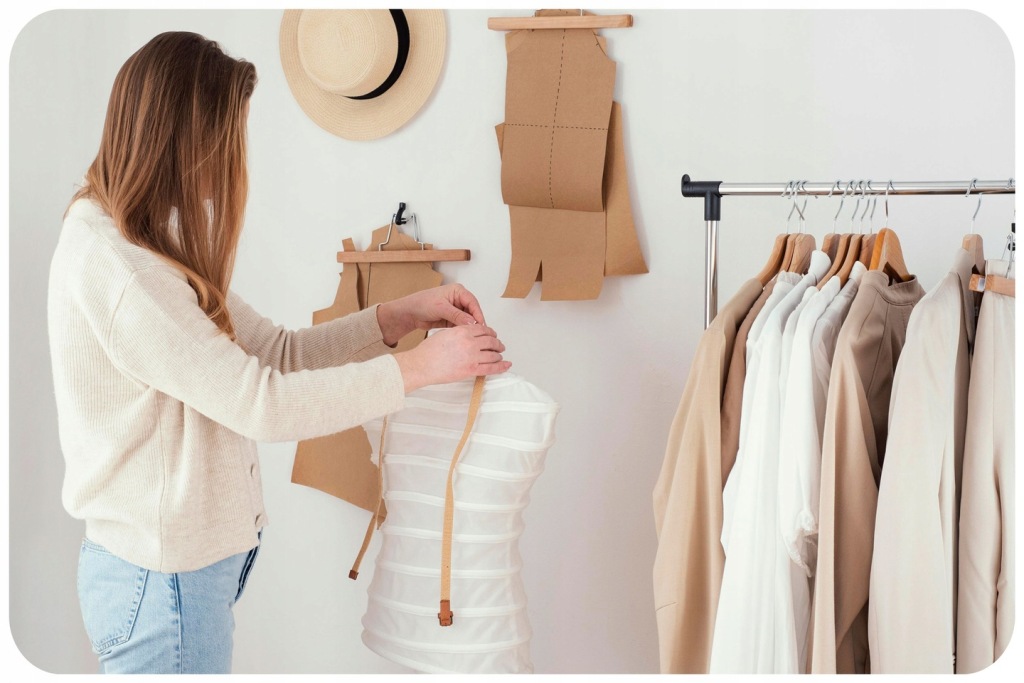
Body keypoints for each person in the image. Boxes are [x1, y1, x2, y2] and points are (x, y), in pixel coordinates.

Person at [46, 31, 510, 674]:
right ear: (182, 140)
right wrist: (419, 368)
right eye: (225, 139)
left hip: (175, 581)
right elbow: (261, 405)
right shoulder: (124, 270)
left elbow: (276, 354)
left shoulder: (142, 242)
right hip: (164, 589)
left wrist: (395, 318)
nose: (233, 158)